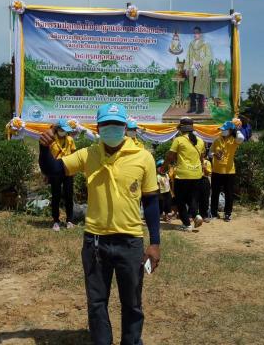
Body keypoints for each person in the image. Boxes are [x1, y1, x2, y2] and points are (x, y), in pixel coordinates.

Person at [39, 103, 160, 345]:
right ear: (98, 128)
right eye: (106, 125)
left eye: (117, 125)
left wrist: (155, 243)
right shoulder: (88, 155)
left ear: (125, 127)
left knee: (132, 303)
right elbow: (54, 169)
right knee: (96, 302)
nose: (112, 129)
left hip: (130, 242)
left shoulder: (143, 157)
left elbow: (151, 202)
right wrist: (44, 148)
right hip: (95, 243)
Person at [164, 117, 205, 231]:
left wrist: (163, 168)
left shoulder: (179, 140)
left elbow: (170, 156)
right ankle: (196, 215)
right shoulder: (200, 141)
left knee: (180, 200)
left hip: (182, 176)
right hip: (197, 174)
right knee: (192, 198)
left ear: (181, 128)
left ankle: (187, 225)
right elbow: (202, 158)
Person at [210, 121, 245, 221]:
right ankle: (213, 213)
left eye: (225, 130)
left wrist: (236, 130)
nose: (222, 131)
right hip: (216, 170)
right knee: (215, 193)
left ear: (230, 130)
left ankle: (227, 214)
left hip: (229, 171)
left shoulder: (234, 140)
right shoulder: (216, 140)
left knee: (229, 193)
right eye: (222, 130)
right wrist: (214, 155)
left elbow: (241, 138)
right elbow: (210, 153)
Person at [48, 119, 77, 231]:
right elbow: (47, 157)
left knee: (69, 195)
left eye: (65, 130)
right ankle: (56, 221)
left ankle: (69, 220)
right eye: (62, 130)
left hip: (68, 170)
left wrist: (74, 168)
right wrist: (46, 172)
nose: (63, 132)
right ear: (58, 129)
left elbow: (74, 154)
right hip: (55, 171)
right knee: (56, 196)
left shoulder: (70, 140)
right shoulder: (51, 141)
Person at [186, 26, 212, 115]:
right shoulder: (191, 44)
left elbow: (209, 57)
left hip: (201, 69)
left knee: (200, 90)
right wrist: (187, 68)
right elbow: (188, 56)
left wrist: (200, 63)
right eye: (194, 32)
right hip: (193, 69)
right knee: (192, 89)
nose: (195, 34)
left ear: (200, 34)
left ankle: (200, 109)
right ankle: (192, 108)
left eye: (197, 32)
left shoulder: (205, 44)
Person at [198, 155, 212, 223]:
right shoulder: (194, 161)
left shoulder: (207, 162)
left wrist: (204, 167)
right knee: (194, 198)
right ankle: (193, 215)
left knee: (205, 199)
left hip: (204, 179)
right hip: (195, 179)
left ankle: (204, 215)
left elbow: (208, 173)